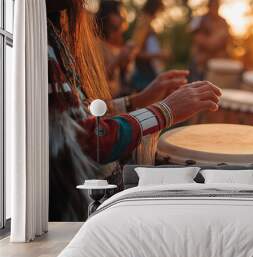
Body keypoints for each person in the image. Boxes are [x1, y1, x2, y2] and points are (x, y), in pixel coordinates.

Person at [46, 0, 221, 221]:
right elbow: (86, 138)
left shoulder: (50, 35)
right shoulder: (40, 48)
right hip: (78, 211)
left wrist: (139, 100)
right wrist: (165, 110)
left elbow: (83, 113)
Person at [131, 0, 170, 91]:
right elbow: (136, 52)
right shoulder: (143, 24)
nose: (159, 15)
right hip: (144, 75)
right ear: (155, 9)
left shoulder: (148, 25)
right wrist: (158, 55)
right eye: (160, 11)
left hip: (149, 72)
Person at [189, 0, 231, 82]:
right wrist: (210, 43)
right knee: (197, 84)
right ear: (208, 7)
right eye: (213, 6)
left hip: (218, 62)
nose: (214, 9)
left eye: (216, 6)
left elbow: (227, 41)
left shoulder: (223, 22)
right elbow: (197, 38)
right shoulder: (200, 19)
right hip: (201, 61)